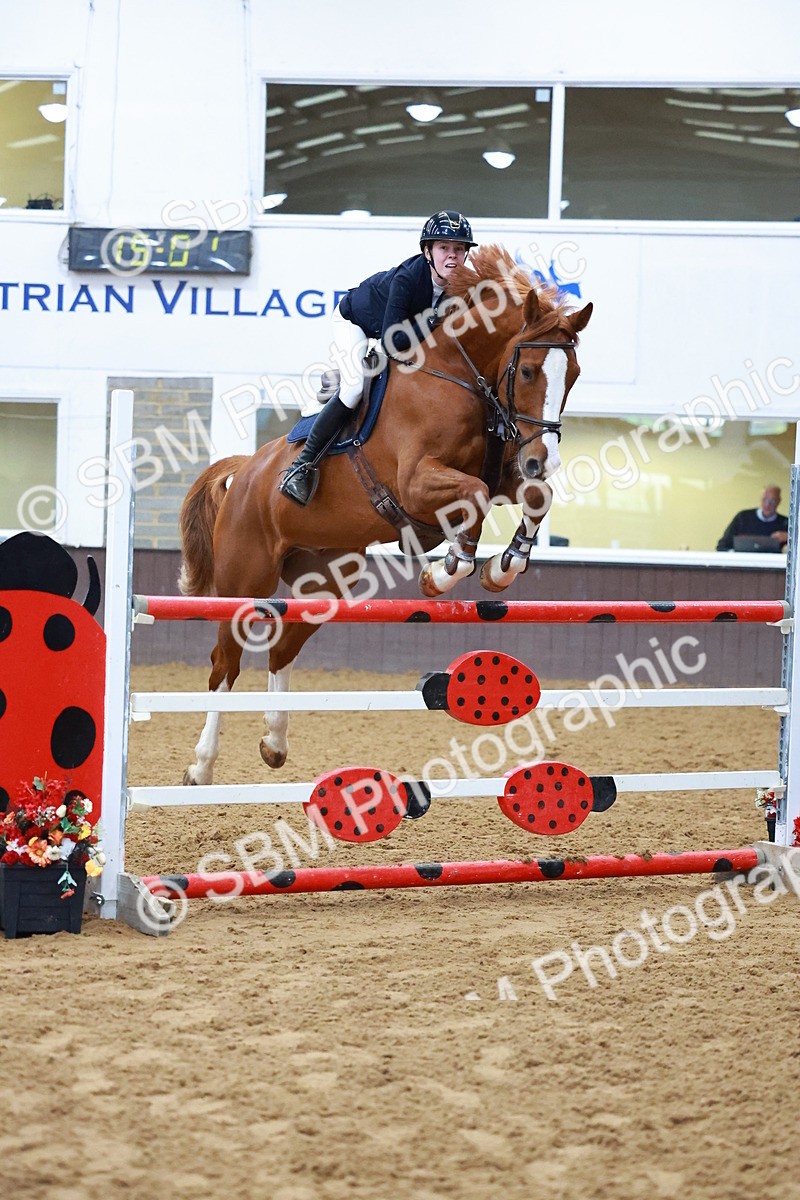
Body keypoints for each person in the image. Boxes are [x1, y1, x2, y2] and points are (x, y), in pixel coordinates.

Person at [279, 209, 477, 506]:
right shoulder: (407, 279)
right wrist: (435, 317)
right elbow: (393, 340)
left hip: (396, 336)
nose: (452, 256)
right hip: (356, 323)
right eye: (444, 248)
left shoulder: (463, 286)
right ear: (427, 251)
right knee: (355, 387)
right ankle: (301, 467)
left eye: (459, 249)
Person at [716, 485, 789, 550]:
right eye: (764, 500)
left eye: (772, 501)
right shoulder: (743, 517)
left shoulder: (786, 523)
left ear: (779, 501)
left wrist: (789, 537)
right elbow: (722, 545)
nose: (767, 504)